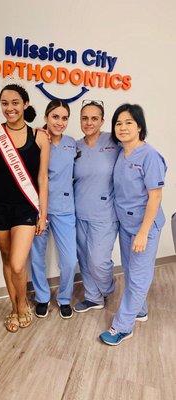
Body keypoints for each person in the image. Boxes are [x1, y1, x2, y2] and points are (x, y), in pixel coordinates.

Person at [0, 84, 49, 333]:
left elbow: (43, 178)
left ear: (25, 104)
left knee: (18, 264)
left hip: (26, 210)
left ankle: (22, 305)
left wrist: (43, 213)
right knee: (8, 260)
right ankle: (14, 307)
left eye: (15, 102)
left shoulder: (40, 137)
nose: (10, 108)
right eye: (5, 103)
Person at [99, 104, 166, 346]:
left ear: (139, 126)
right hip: (126, 224)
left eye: (128, 122)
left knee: (138, 276)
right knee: (130, 271)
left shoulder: (149, 156)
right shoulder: (120, 152)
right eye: (118, 123)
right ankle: (140, 310)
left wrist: (144, 232)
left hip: (144, 226)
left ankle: (122, 327)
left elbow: (155, 197)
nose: (123, 127)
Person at [30, 100, 77, 319]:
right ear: (47, 117)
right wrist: (40, 211)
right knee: (37, 256)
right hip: (39, 209)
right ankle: (42, 297)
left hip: (65, 209)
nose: (60, 122)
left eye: (64, 118)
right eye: (55, 117)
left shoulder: (71, 144)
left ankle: (65, 298)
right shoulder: (37, 139)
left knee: (69, 259)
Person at [73, 100, 120, 313]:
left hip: (105, 213)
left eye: (94, 118)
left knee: (98, 261)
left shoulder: (114, 141)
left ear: (102, 120)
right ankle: (93, 297)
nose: (89, 122)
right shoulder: (75, 146)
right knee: (84, 257)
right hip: (78, 211)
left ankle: (108, 288)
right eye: (85, 118)